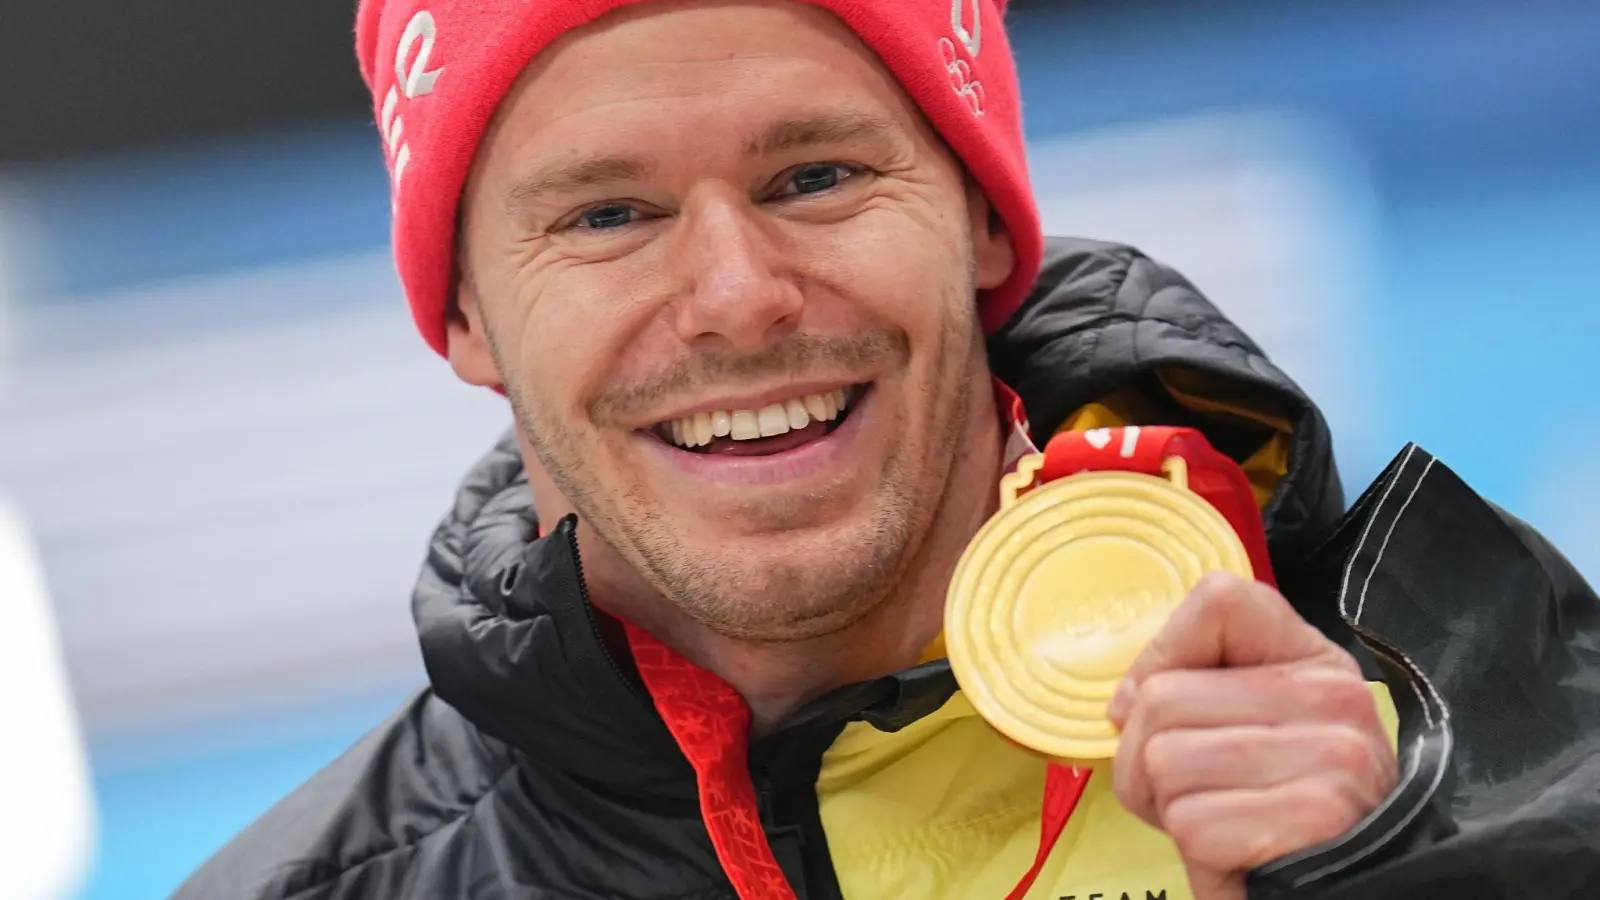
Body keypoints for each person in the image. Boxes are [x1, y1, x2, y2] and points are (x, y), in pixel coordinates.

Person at [175, 1, 1600, 898]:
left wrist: (1404, 873)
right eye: (607, 215)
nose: (736, 292)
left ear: (981, 219)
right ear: (467, 313)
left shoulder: (1460, 695)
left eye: (817, 176)